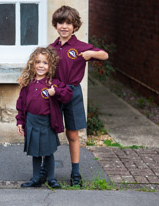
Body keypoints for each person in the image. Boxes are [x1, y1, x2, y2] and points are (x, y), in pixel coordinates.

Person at [43, 5, 109, 187]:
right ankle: (46, 172)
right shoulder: (50, 48)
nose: (64, 26)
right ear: (55, 25)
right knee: (48, 133)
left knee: (72, 134)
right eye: (60, 23)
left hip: (72, 94)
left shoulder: (81, 47)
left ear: (75, 26)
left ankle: (76, 173)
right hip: (54, 93)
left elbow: (105, 55)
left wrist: (91, 53)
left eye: (68, 23)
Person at [15, 47, 73, 188]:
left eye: (45, 63)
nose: (41, 65)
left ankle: (51, 179)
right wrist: (20, 121)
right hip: (31, 121)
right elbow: (21, 104)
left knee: (48, 152)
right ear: (32, 64)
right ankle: (36, 179)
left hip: (47, 122)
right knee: (35, 152)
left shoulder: (53, 83)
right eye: (38, 62)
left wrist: (56, 91)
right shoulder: (28, 83)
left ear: (51, 66)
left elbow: (68, 94)